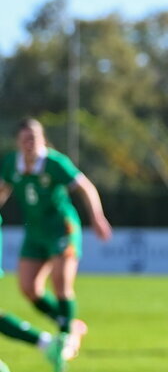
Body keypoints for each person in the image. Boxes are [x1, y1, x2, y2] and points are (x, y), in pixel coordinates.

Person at [0, 118, 113, 358]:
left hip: (62, 228)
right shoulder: (11, 164)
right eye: (25, 139)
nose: (30, 143)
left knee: (61, 282)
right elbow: (3, 190)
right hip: (35, 232)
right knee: (29, 288)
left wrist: (97, 217)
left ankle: (64, 338)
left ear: (42, 140)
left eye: (34, 138)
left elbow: (85, 187)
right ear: (18, 143)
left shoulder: (54, 163)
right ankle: (71, 325)